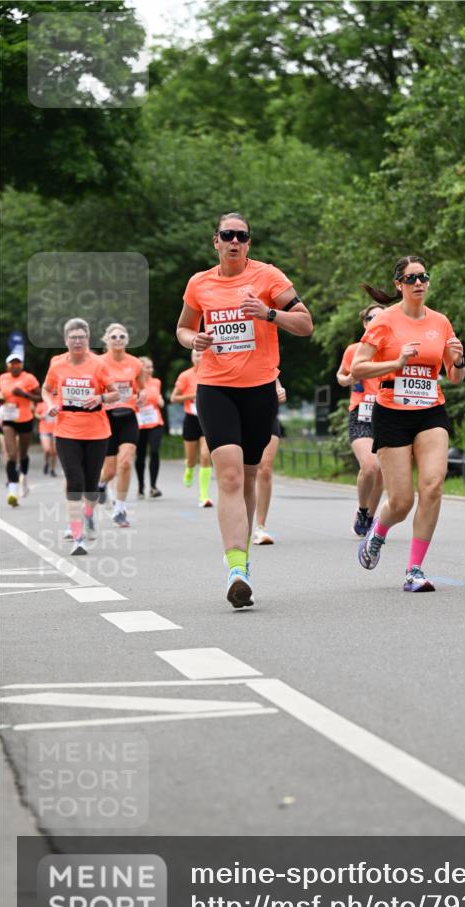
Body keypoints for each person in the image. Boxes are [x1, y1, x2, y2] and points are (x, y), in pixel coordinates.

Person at [176, 211, 313, 609]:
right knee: (231, 476)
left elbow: (306, 324)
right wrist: (194, 340)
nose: (235, 241)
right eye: (227, 235)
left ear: (248, 242)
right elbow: (183, 327)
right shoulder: (199, 283)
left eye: (242, 236)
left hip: (259, 391)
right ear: (215, 241)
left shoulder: (269, 277)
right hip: (215, 388)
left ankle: (243, 560)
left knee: (249, 475)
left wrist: (268, 314)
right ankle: (236, 569)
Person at [351, 256, 465, 592]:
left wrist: (459, 359)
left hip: (431, 410)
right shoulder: (384, 321)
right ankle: (378, 531)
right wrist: (397, 361)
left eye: (423, 277)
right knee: (401, 501)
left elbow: (456, 377)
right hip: (392, 411)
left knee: (432, 485)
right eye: (411, 278)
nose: (419, 283)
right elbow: (358, 367)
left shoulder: (441, 322)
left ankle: (414, 569)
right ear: (399, 284)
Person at [40, 319, 118, 555]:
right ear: (66, 340)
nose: (77, 341)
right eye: (72, 337)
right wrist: (51, 403)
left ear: (87, 339)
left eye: (81, 337)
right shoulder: (57, 364)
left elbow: (115, 394)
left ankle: (88, 515)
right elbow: (46, 389)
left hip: (97, 432)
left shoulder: (98, 365)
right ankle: (78, 537)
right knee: (74, 481)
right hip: (66, 431)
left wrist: (100, 399)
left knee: (91, 486)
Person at [336, 305, 384, 536]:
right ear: (365, 323)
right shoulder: (354, 350)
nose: (376, 320)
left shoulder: (392, 350)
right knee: (370, 466)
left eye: (381, 317)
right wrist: (346, 380)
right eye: (371, 317)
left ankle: (371, 518)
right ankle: (363, 510)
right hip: (361, 414)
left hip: (387, 414)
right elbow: (341, 375)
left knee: (382, 471)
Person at [96, 324, 146, 526]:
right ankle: (101, 484)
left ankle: (120, 508)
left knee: (125, 463)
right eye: (113, 336)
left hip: (128, 417)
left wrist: (142, 395)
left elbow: (141, 388)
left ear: (127, 340)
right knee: (109, 471)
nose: (118, 339)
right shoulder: (97, 363)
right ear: (106, 340)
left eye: (122, 336)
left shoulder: (135, 363)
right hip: (106, 418)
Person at [170, 349, 214, 508]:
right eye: (196, 355)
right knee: (191, 459)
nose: (200, 357)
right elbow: (173, 398)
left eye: (202, 354)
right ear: (192, 358)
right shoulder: (185, 376)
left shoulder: (213, 373)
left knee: (204, 455)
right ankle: (189, 469)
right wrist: (191, 396)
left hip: (208, 419)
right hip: (191, 419)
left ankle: (204, 496)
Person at [0, 353, 41, 506]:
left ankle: (24, 477)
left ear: (21, 365)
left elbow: (41, 397)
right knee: (11, 455)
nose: (14, 366)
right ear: (7, 366)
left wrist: (24, 394)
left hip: (25, 419)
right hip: (8, 419)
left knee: (22, 454)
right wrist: (0, 398)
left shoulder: (29, 378)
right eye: (12, 364)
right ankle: (12, 491)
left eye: (17, 363)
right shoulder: (2, 378)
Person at [252, 377, 287, 545]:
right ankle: (239, 524)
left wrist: (279, 389)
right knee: (241, 473)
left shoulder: (264, 353)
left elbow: (273, 375)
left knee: (264, 469)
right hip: (237, 414)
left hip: (266, 414)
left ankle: (260, 527)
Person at [135, 356, 165, 499]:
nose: (150, 370)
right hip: (140, 423)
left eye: (151, 367)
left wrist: (161, 401)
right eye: (147, 367)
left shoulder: (156, 382)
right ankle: (141, 486)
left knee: (154, 451)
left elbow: (159, 400)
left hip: (155, 421)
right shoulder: (134, 384)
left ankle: (153, 486)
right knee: (140, 455)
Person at [35, 400, 58, 476]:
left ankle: (52, 469)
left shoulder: (57, 401)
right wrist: (41, 416)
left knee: (54, 452)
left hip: (56, 430)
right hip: (44, 430)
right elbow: (36, 414)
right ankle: (46, 463)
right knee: (47, 450)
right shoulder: (41, 403)